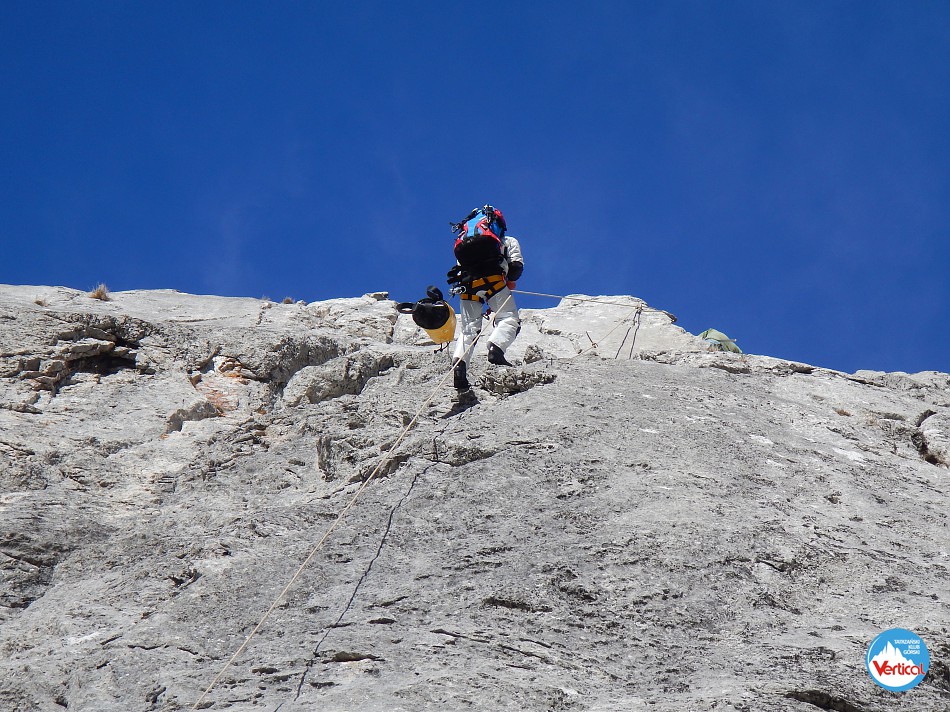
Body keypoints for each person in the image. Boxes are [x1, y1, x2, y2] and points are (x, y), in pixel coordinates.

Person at [447, 204, 524, 391]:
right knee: (509, 318)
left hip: (467, 285)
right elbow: (516, 268)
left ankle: (459, 366)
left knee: (468, 329)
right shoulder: (507, 240)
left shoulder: (466, 241)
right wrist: (507, 284)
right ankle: (496, 349)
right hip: (494, 281)